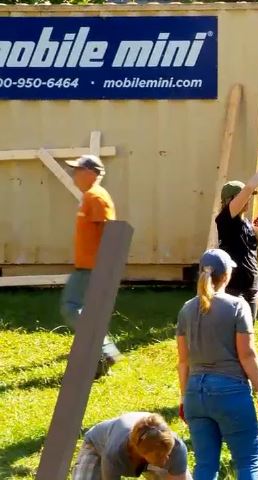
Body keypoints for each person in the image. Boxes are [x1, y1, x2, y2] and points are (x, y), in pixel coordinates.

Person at [176, 249, 258, 480]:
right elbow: (247, 355)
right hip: (230, 391)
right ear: (227, 276)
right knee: (248, 461)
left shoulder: (186, 309)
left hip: (194, 394)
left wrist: (183, 398)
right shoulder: (238, 306)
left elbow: (182, 361)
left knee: (205, 466)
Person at [60, 154, 121, 379]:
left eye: (78, 170)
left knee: (71, 307)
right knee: (87, 313)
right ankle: (102, 355)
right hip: (88, 265)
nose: (74, 174)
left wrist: (105, 268)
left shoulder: (96, 197)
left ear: (91, 173)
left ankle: (104, 351)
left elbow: (109, 230)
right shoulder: (90, 196)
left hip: (91, 267)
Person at [215, 147, 258, 321]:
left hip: (251, 288)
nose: (248, 200)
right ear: (230, 200)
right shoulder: (225, 219)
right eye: (244, 198)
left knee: (248, 332)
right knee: (232, 333)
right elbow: (249, 188)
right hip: (232, 288)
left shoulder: (248, 225)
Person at [71, 412, 189, 480]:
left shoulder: (175, 448)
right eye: (160, 455)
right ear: (142, 453)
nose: (167, 459)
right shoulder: (114, 452)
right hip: (96, 448)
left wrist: (162, 455)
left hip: (145, 456)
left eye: (167, 453)